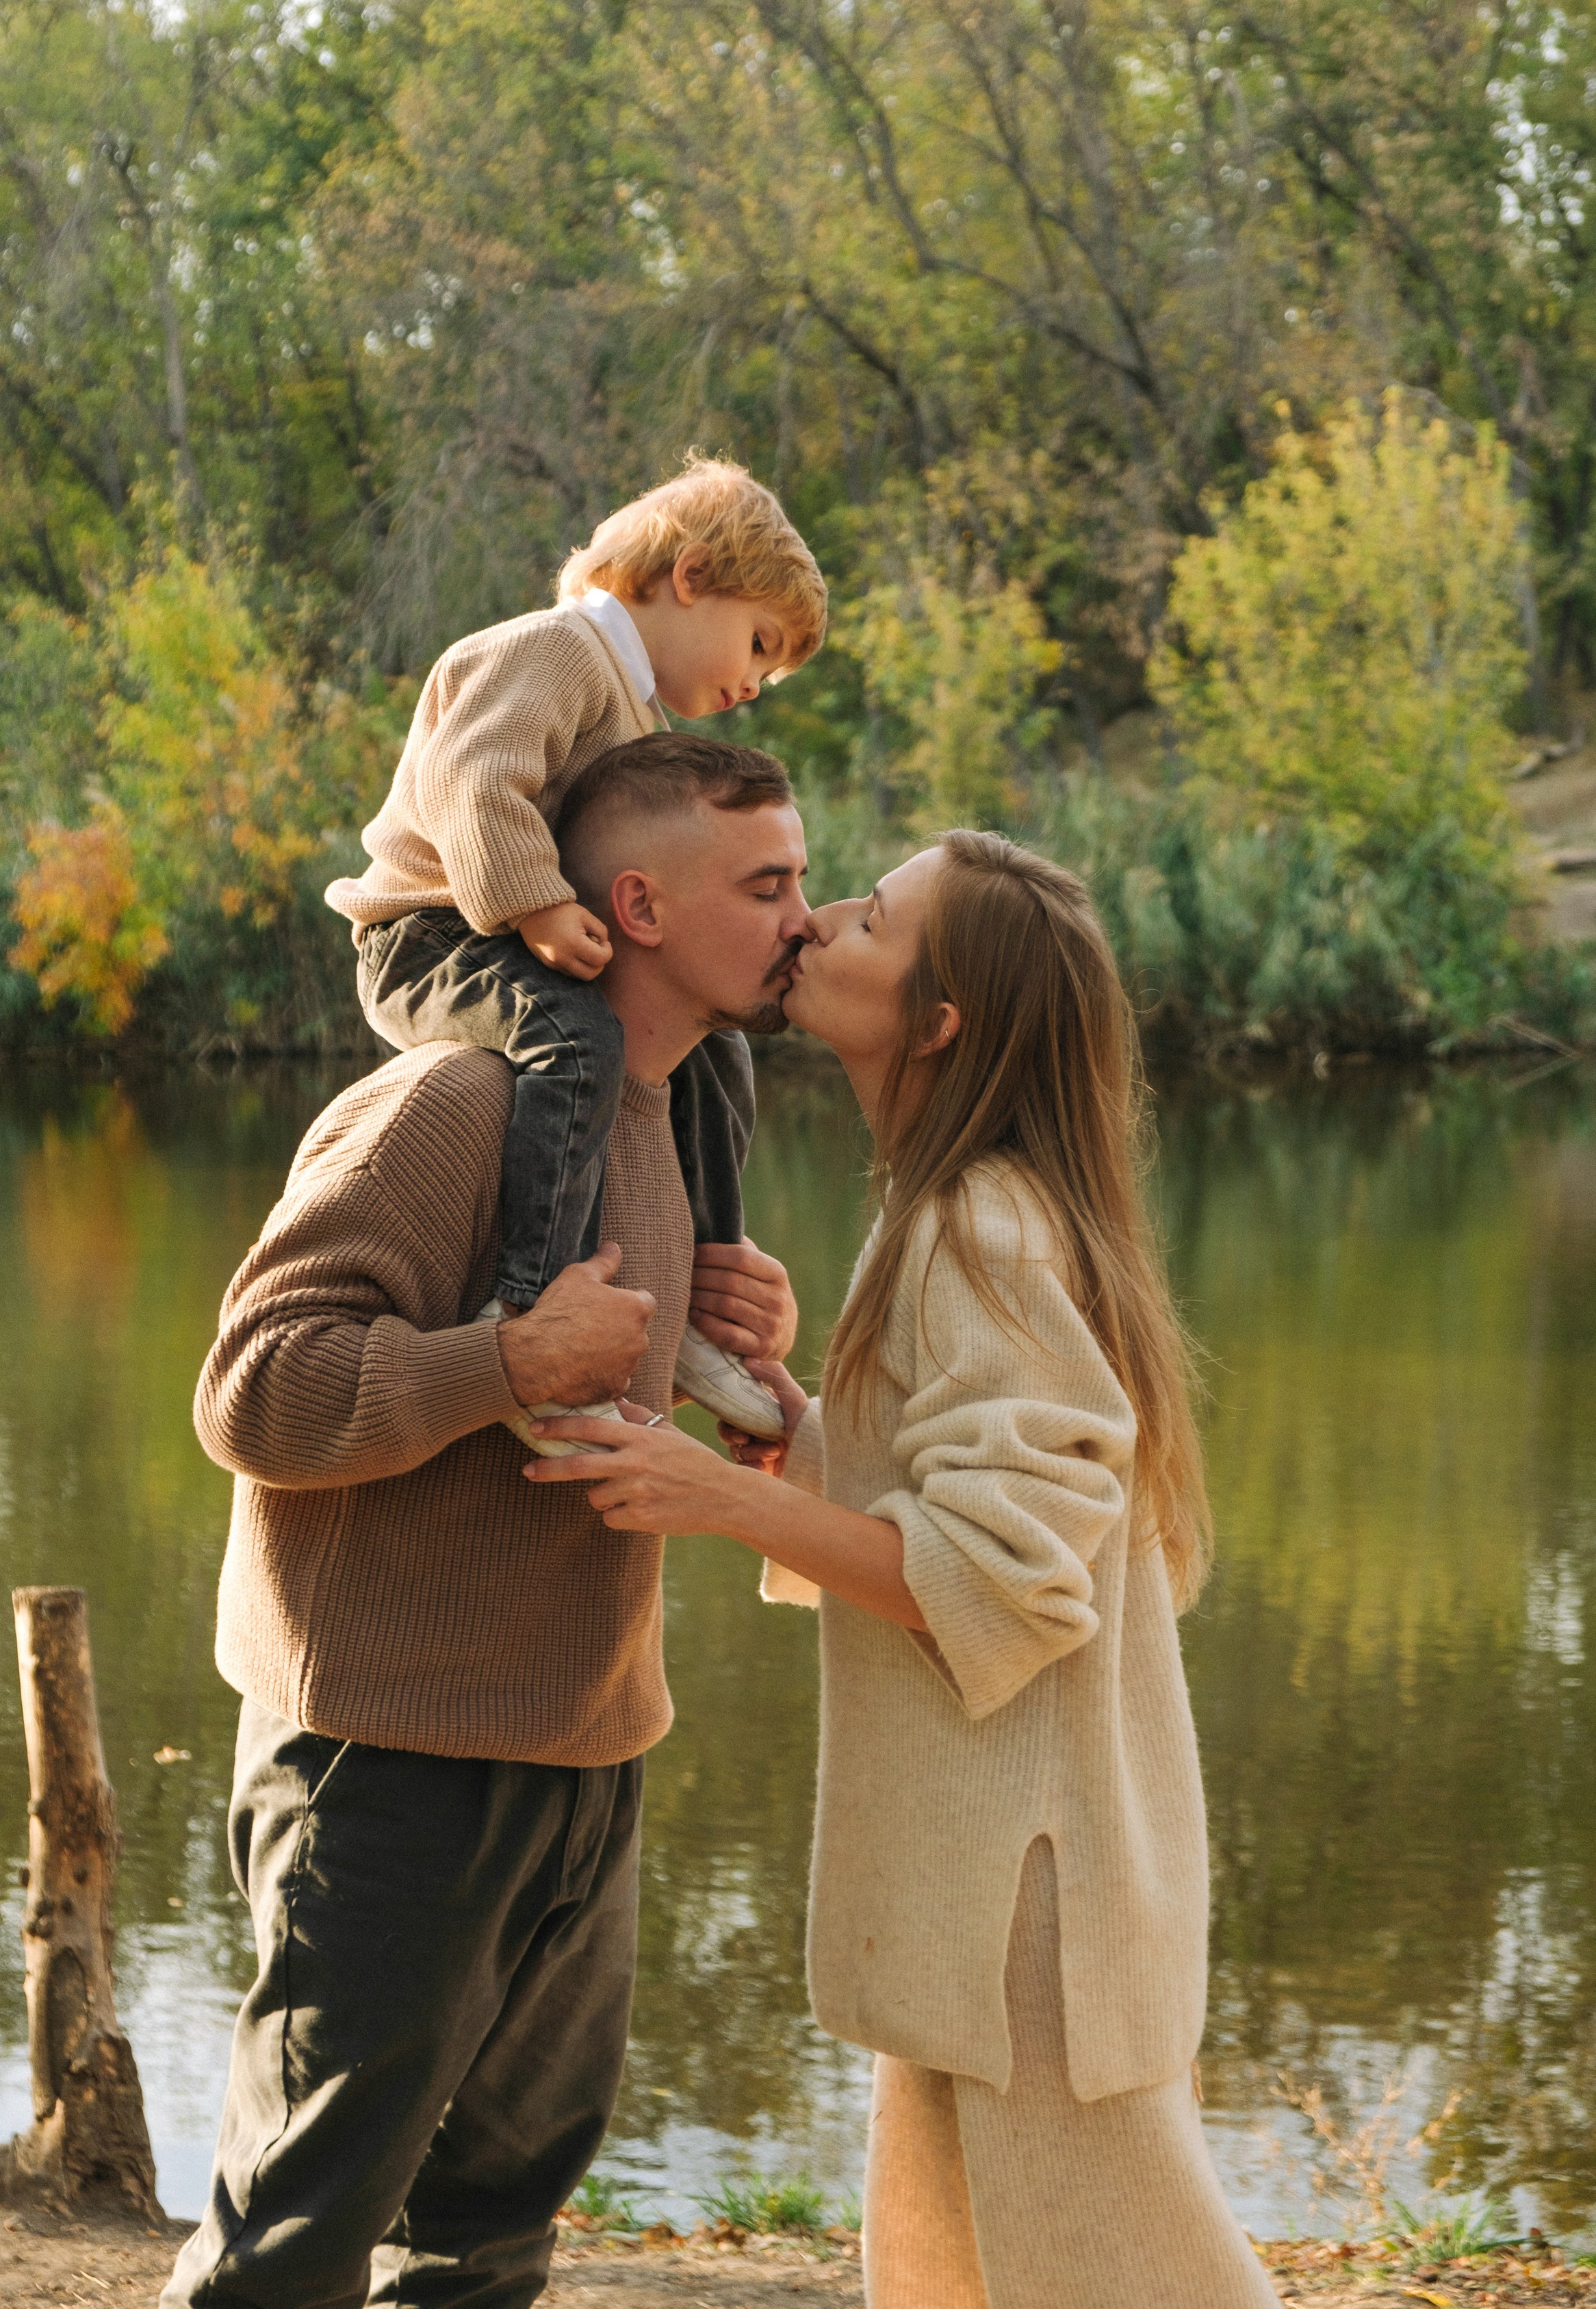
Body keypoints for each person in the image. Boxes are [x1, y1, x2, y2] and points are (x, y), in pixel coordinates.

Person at [523, 830, 1278, 2309]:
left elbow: (1010, 1581)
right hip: (983, 1900)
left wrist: (717, 1506)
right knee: (953, 2281)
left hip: (1030, 1918)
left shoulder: (979, 1225)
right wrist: (783, 1430)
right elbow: (951, 1504)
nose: (821, 922)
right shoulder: (946, 1210)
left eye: (868, 918)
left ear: (935, 1023)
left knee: (1131, 2282)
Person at [163, 734, 811, 2309]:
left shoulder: (669, 1118)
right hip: (387, 1767)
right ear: (638, 905)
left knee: (489, 2236)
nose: (805, 915)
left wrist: (742, 1367)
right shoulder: (449, 1105)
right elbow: (250, 1392)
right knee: (292, 2246)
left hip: (586, 1752)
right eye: (770, 884)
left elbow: (624, 1414)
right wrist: (504, 1358)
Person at [322, 457, 825, 1432]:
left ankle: (701, 1300)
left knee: (716, 1050)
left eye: (770, 672)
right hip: (430, 932)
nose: (755, 683)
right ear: (692, 576)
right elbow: (475, 782)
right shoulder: (558, 650)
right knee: (577, 1039)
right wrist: (540, 905)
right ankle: (535, 1305)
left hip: (501, 927)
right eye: (758, 644)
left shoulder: (635, 708)